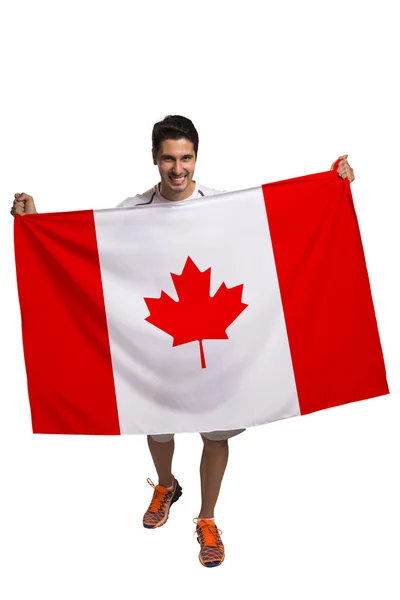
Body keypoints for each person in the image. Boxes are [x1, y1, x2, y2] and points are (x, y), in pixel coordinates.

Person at [11, 115, 355, 568]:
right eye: (169, 158)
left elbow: (273, 235)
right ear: (155, 159)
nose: (179, 169)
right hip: (156, 350)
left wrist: (333, 184)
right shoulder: (131, 212)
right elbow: (89, 261)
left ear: (197, 158)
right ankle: (166, 484)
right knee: (156, 424)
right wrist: (36, 227)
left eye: (186, 158)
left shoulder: (224, 207)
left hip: (218, 349)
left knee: (216, 433)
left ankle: (206, 517)